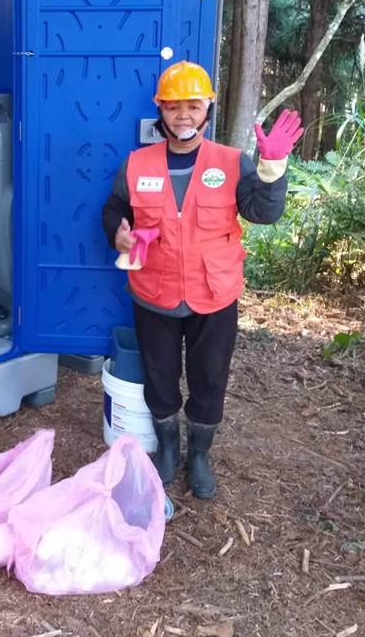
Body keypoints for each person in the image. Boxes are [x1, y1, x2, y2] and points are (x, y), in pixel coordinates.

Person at [101, 61, 303, 499]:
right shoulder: (136, 164)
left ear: (208, 109)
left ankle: (199, 455)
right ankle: (168, 448)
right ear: (160, 110)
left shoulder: (231, 162)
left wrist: (272, 168)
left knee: (209, 378)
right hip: (153, 292)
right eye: (174, 107)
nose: (183, 116)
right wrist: (117, 230)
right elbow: (115, 208)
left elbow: (263, 213)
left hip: (215, 293)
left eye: (193, 106)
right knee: (160, 376)